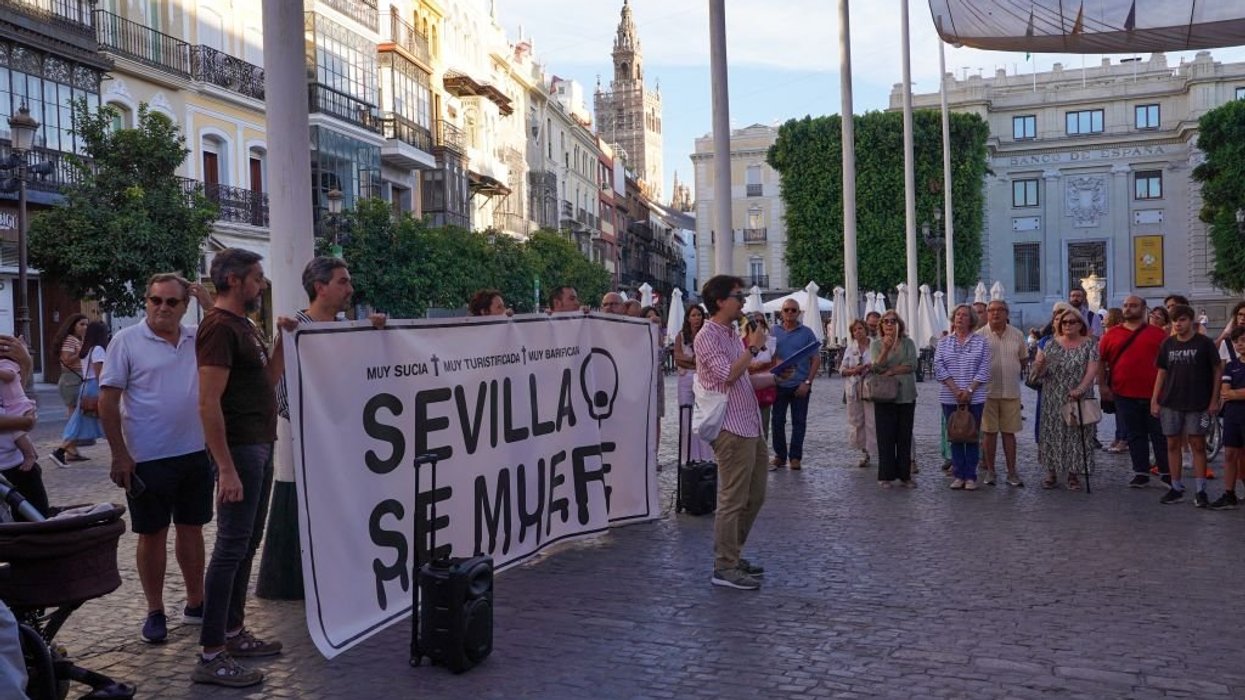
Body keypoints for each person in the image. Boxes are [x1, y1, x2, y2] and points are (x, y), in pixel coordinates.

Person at [192, 248, 290, 687]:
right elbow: (208, 402)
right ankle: (212, 653)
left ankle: (232, 632)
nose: (261, 284)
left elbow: (267, 381)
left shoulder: (245, 326)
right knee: (231, 548)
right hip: (241, 450)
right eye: (256, 277)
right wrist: (225, 467)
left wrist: (285, 341)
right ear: (233, 280)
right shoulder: (217, 329)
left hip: (259, 445)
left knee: (246, 543)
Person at [99, 273, 214, 645]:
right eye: (155, 300)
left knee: (192, 528)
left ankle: (197, 603)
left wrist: (210, 304)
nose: (162, 308)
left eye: (171, 302)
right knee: (151, 534)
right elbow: (108, 400)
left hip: (195, 452)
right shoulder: (126, 340)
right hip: (147, 457)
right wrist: (119, 454)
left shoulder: (199, 335)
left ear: (185, 305)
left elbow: (238, 332)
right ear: (146, 301)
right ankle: (154, 610)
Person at [693, 275, 769, 591]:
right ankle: (724, 566)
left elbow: (740, 379)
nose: (742, 302)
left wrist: (773, 378)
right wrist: (752, 349)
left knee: (755, 495)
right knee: (733, 498)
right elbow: (727, 375)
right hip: (730, 428)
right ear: (721, 301)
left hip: (750, 423)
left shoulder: (729, 334)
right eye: (738, 296)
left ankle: (732, 555)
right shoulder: (707, 336)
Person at [1151, 304, 1221, 507]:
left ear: (1191, 321)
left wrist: (1214, 399)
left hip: (1197, 401)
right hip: (1171, 401)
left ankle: (1200, 489)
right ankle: (1176, 486)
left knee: (1197, 444)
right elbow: (1161, 372)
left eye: (1182, 320)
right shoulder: (1168, 344)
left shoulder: (1204, 343)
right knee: (1172, 444)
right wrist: (1155, 399)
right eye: (1174, 320)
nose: (1178, 324)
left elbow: (1217, 370)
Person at [1099, 296, 1169, 488]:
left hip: (1155, 394)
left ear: (1144, 308)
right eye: (1126, 305)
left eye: (1133, 305)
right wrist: (1103, 386)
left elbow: (1168, 364)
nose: (1128, 309)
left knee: (1159, 435)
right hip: (1124, 393)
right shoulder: (1111, 335)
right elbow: (1101, 361)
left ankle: (1166, 472)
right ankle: (1141, 472)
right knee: (1134, 434)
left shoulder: (1158, 334)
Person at [1033, 309, 1100, 490]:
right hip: (1053, 395)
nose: (1068, 325)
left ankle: (1073, 473)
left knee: (1077, 436)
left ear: (1080, 325)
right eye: (1064, 322)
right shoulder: (1051, 344)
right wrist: (1039, 366)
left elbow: (1092, 370)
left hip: (1079, 395)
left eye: (1072, 322)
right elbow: (1041, 372)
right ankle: (1051, 472)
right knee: (1052, 433)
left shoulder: (1090, 344)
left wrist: (1081, 388)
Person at [935, 304, 991, 490]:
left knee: (971, 434)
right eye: (957, 315)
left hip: (975, 397)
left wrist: (969, 390)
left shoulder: (981, 342)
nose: (960, 318)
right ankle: (958, 473)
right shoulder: (943, 343)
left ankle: (971, 475)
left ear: (971, 320)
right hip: (950, 396)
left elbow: (984, 368)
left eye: (964, 315)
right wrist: (955, 390)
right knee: (956, 435)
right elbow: (939, 367)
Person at [977, 300, 1026, 487]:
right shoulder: (979, 336)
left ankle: (1012, 472)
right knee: (989, 434)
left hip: (1011, 391)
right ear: (987, 314)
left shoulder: (1018, 335)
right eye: (991, 310)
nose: (995, 313)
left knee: (1009, 433)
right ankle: (990, 471)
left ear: (1007, 313)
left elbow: (1023, 360)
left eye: (999, 310)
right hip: (987, 392)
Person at [770, 300, 820, 471]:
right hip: (779, 384)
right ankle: (780, 455)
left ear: (799, 313)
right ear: (781, 312)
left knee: (799, 422)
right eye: (786, 310)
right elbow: (767, 355)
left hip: (800, 384)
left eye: (793, 310)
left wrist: (807, 382)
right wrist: (775, 360)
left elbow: (815, 359)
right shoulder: (773, 331)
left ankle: (796, 457)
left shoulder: (807, 333)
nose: (790, 313)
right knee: (777, 421)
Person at [870, 310, 918, 487]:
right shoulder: (876, 345)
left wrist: (891, 371)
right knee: (885, 436)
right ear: (881, 325)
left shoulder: (908, 343)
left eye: (893, 321)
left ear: (899, 324)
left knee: (904, 436)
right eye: (886, 321)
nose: (890, 324)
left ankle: (905, 475)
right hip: (884, 395)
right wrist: (886, 350)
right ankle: (885, 475)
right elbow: (876, 367)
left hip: (906, 394)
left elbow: (912, 364)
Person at [51, 321, 109, 467]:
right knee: (104, 419)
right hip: (94, 387)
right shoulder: (98, 350)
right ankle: (60, 451)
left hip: (86, 386)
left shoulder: (86, 350)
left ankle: (61, 451)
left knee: (81, 421)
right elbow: (99, 373)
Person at [0, 336, 47, 515]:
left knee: (35, 518)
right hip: (9, 462)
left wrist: (25, 363)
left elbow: (12, 390)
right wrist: (22, 421)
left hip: (15, 462)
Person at [674, 305, 714, 463]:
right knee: (686, 415)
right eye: (693, 315)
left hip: (703, 379)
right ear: (688, 318)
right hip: (685, 379)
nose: (697, 318)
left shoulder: (708, 335)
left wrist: (689, 361)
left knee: (703, 416)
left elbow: (708, 361)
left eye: (699, 315)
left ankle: (705, 455)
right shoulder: (681, 336)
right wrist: (694, 361)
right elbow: (677, 357)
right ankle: (688, 455)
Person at [1213, 326, 1245, 509]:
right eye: (1237, 341)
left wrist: (1234, 393)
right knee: (1230, 454)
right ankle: (1229, 493)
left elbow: (1231, 392)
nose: (1240, 345)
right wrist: (1235, 393)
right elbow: (1225, 391)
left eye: (1244, 340)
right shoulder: (1232, 365)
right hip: (1233, 415)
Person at [839, 319, 877, 469]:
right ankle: (864, 452)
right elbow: (842, 370)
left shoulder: (875, 346)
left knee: (872, 420)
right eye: (855, 330)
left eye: (860, 329)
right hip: (854, 389)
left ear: (866, 329)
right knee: (856, 421)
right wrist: (854, 370)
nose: (858, 332)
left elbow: (881, 364)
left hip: (871, 388)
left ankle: (876, 450)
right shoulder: (850, 348)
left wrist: (870, 367)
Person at [52, 314, 90, 454]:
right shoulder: (70, 340)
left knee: (76, 414)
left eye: (86, 324)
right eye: (81, 324)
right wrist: (80, 353)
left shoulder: (77, 340)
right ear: (73, 325)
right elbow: (66, 360)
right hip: (71, 380)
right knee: (74, 414)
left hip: (75, 378)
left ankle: (72, 447)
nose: (85, 327)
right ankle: (67, 446)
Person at [745, 313, 778, 444]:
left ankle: (761, 452)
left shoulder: (770, 342)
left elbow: (774, 363)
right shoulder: (740, 342)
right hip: (746, 386)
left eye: (761, 322)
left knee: (764, 422)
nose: (757, 325)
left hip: (765, 385)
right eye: (755, 322)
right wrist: (750, 366)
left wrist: (762, 366)